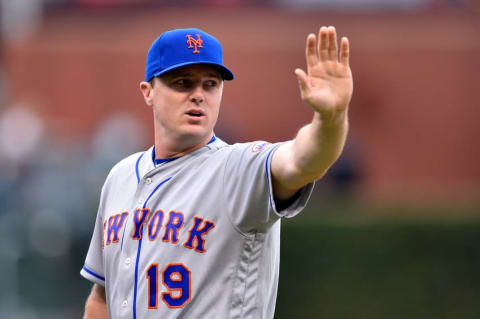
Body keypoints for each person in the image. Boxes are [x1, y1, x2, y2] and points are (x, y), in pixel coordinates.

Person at [81, 26, 353, 319]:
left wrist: (330, 119)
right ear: (148, 92)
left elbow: (304, 160)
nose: (198, 95)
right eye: (183, 83)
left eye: (210, 84)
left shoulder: (238, 169)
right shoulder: (119, 177)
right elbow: (103, 296)